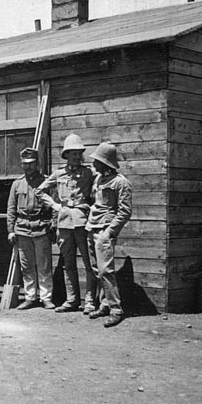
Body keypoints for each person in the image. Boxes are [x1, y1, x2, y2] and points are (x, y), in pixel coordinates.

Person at [36, 134, 97, 314]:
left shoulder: (89, 172)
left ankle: (90, 301)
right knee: (68, 263)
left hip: (82, 221)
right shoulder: (59, 173)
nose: (77, 157)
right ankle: (72, 300)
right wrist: (55, 205)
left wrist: (92, 207)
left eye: (80, 153)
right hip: (64, 222)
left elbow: (101, 185)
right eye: (73, 154)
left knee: (88, 262)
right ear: (66, 155)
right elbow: (40, 191)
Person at [86, 142, 132, 328]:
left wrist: (109, 232)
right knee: (97, 270)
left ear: (105, 162)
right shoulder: (98, 180)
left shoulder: (121, 183)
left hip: (105, 230)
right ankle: (104, 304)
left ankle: (116, 310)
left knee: (106, 271)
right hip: (92, 227)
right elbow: (95, 203)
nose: (94, 163)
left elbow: (125, 211)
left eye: (96, 160)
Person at [7, 148, 55, 310]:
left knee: (43, 265)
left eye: (31, 164)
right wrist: (10, 230)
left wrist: (52, 225)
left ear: (37, 163)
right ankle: (30, 297)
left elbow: (54, 205)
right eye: (25, 164)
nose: (28, 167)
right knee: (26, 265)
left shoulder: (46, 182)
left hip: (41, 228)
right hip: (22, 229)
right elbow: (11, 209)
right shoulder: (17, 184)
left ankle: (46, 297)